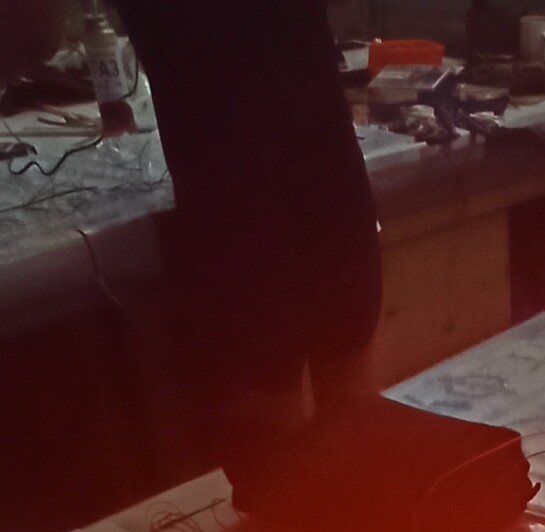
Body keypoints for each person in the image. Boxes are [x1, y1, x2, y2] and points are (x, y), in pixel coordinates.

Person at [117, 0, 382, 460]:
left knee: (276, 398)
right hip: (310, 171)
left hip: (237, 186)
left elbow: (30, 37)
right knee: (335, 396)